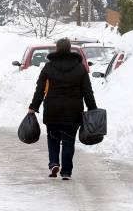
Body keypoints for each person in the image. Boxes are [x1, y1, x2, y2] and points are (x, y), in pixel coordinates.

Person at [28, 37, 97, 180]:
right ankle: (66, 172)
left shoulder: (49, 67)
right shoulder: (80, 68)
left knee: (52, 138)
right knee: (68, 141)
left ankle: (54, 163)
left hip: (52, 110)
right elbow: (87, 91)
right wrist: (92, 108)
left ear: (57, 49)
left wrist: (33, 107)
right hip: (73, 112)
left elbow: (40, 90)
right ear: (70, 48)